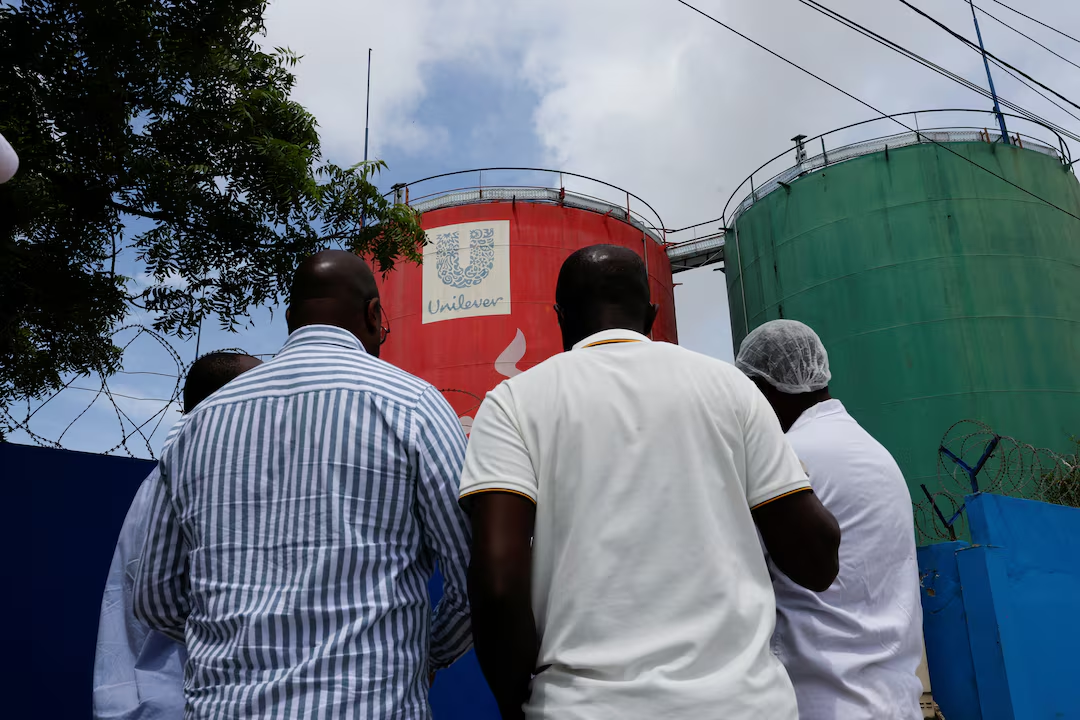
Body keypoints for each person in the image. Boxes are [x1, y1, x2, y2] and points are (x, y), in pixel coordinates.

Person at [460, 244, 842, 720]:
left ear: (560, 317)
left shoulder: (512, 402)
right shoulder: (732, 389)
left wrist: (513, 702)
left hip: (585, 709)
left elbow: (497, 580)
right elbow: (816, 563)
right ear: (653, 314)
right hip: (743, 706)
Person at [134, 249, 473, 718]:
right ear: (374, 315)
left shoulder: (198, 423)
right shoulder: (412, 405)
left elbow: (156, 598)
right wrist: (424, 654)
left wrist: (230, 644)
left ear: (290, 319)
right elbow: (474, 580)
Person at [735, 319, 924, 720]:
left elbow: (737, 572)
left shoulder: (787, 459)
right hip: (894, 699)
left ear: (762, 389)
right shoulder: (873, 452)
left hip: (823, 698)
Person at [94, 351, 263, 720]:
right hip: (175, 695)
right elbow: (157, 601)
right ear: (228, 401)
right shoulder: (194, 478)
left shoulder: (174, 474)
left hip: (152, 695)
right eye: (261, 387)